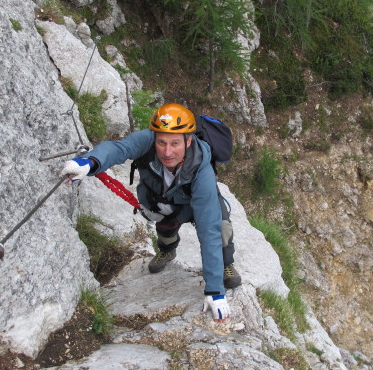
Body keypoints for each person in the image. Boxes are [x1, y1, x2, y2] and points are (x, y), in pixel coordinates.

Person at [61, 103, 241, 322]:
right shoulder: (146, 140)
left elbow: (208, 228)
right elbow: (119, 149)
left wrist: (214, 290)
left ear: (189, 140)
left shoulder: (200, 167)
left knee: (220, 228)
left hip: (196, 200)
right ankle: (167, 250)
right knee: (165, 227)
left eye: (175, 143)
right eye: (162, 142)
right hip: (162, 198)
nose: (167, 152)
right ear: (155, 137)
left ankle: (226, 264)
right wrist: (90, 162)